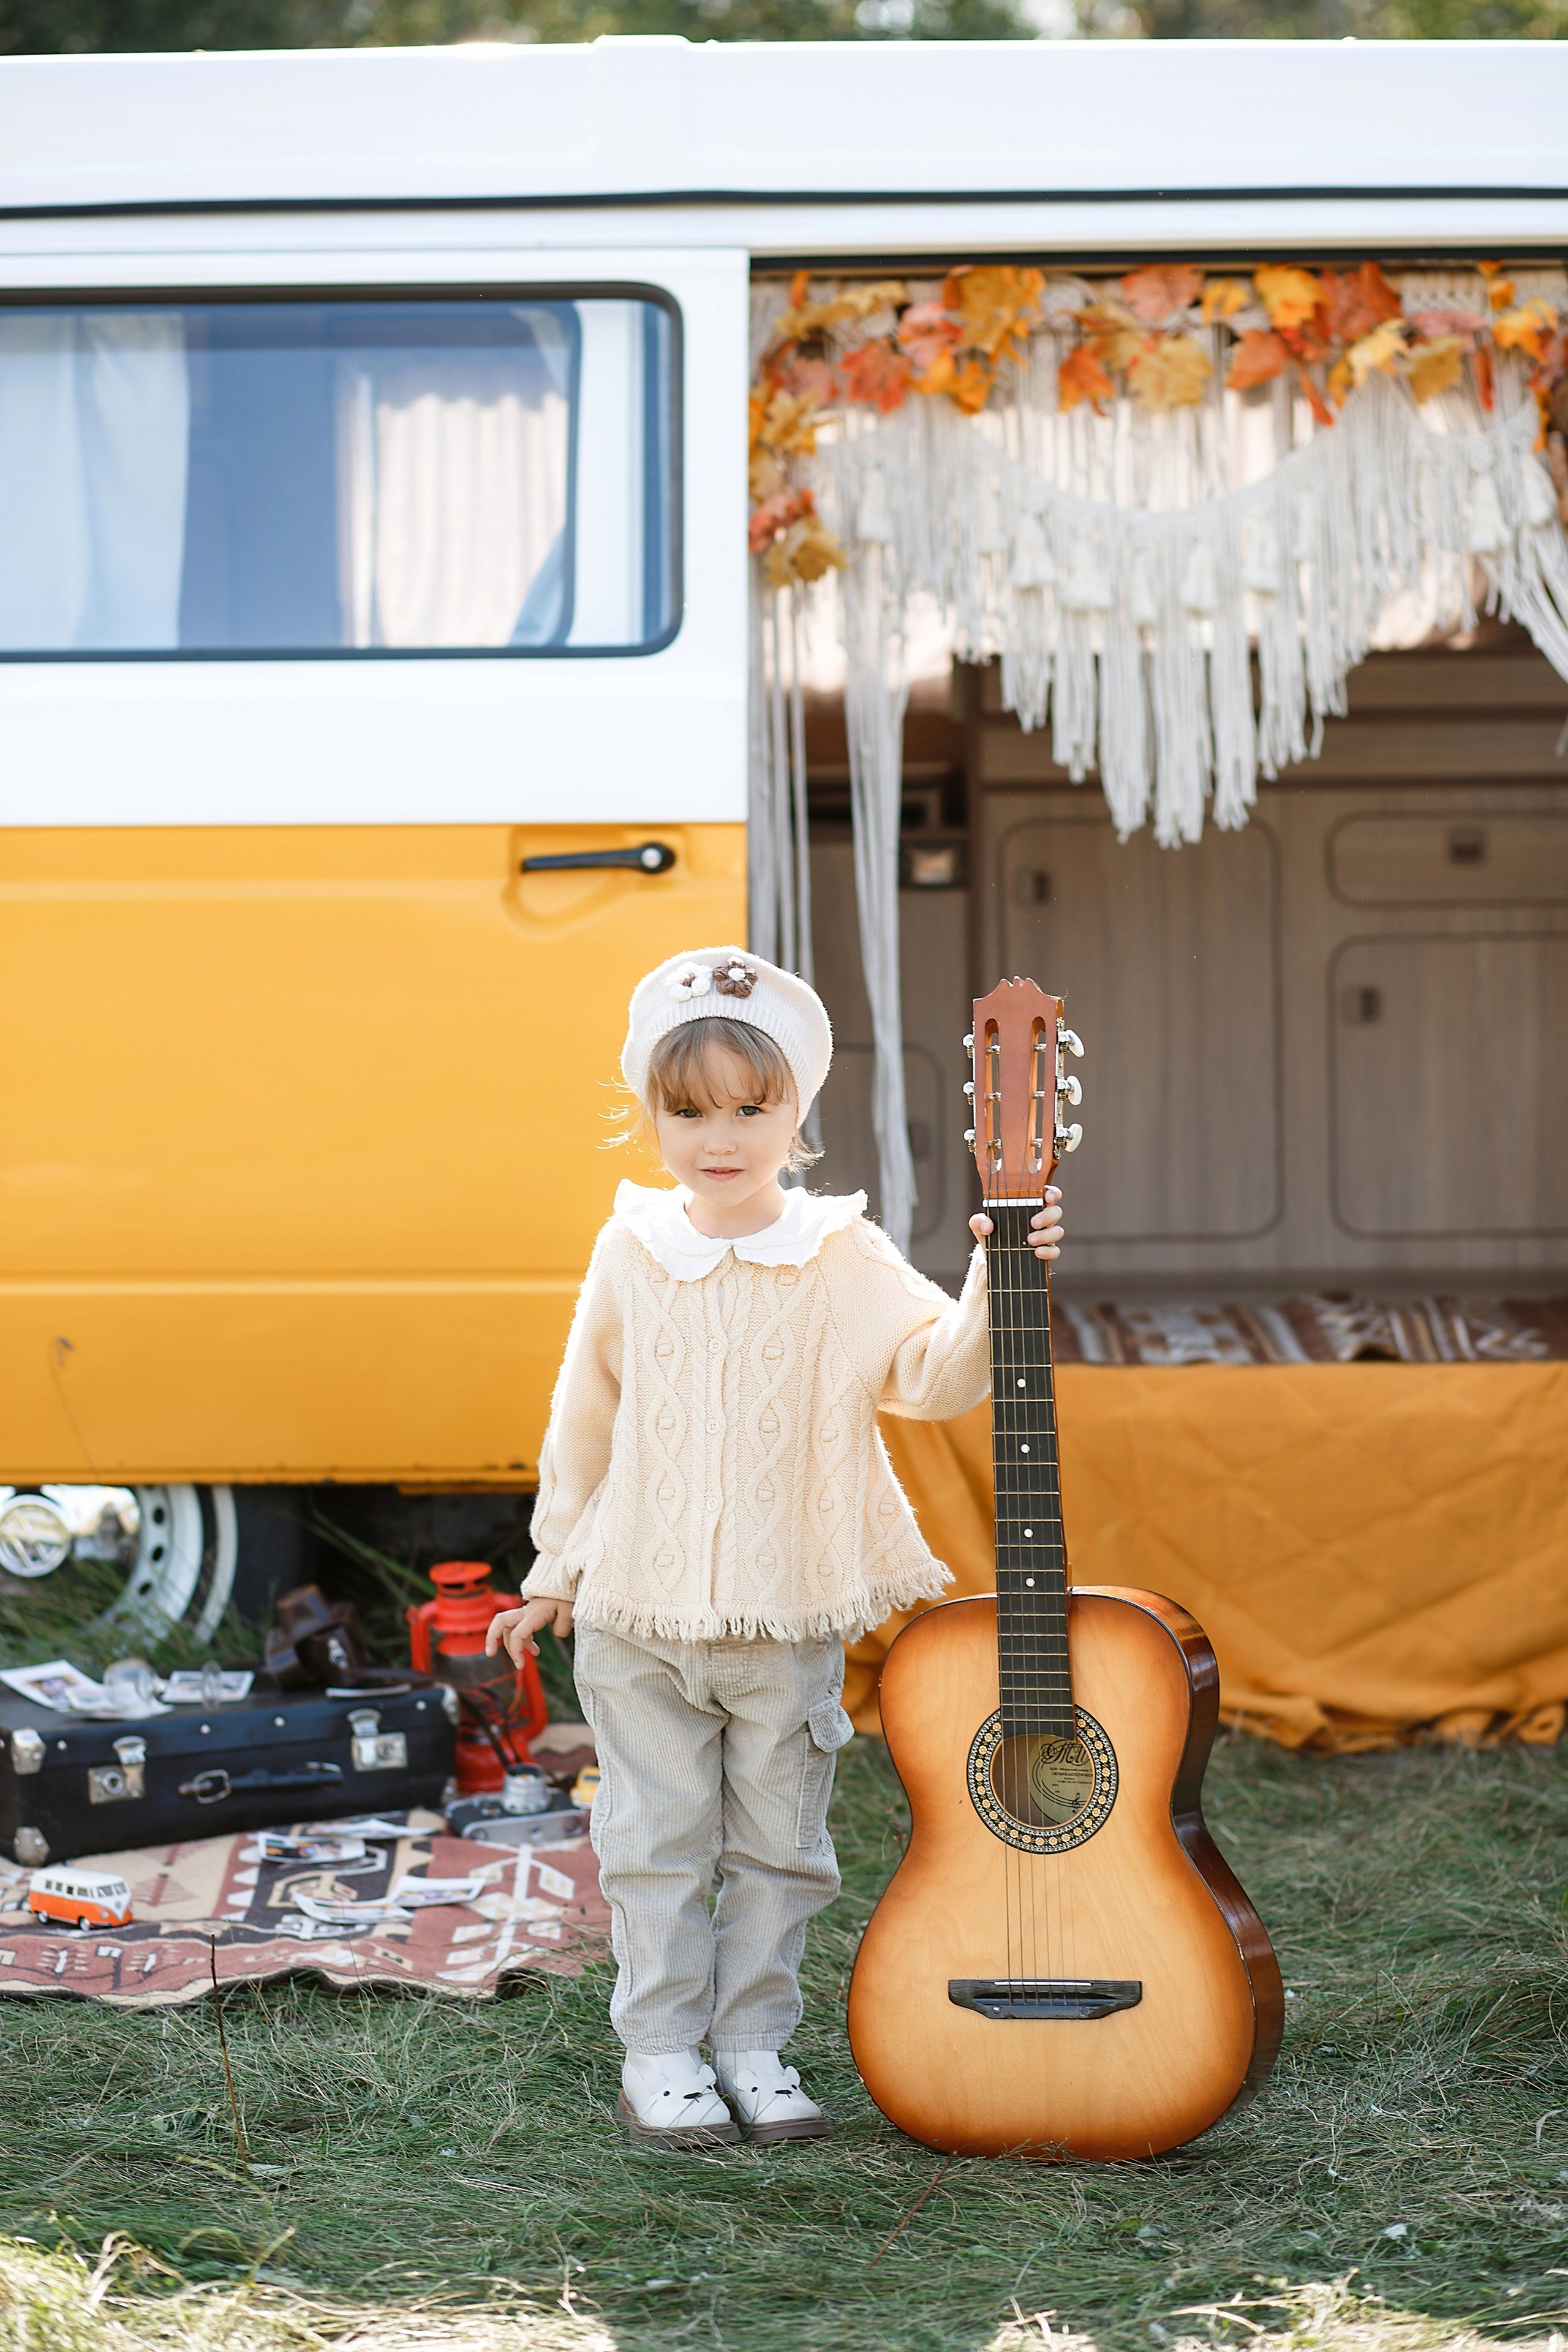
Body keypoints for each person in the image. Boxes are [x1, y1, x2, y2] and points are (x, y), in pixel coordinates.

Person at [486, 947, 1064, 2147]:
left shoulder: (839, 1254)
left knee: (779, 1849)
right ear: (650, 1114)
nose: (720, 1138)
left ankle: (751, 2047)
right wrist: (554, 1568)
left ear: (797, 1109)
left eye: (751, 1109)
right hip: (636, 1617)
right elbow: (584, 1418)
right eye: (688, 1111)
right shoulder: (631, 1251)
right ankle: (660, 2053)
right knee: (651, 1845)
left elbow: (932, 1377)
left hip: (783, 1617)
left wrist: (1000, 1270)